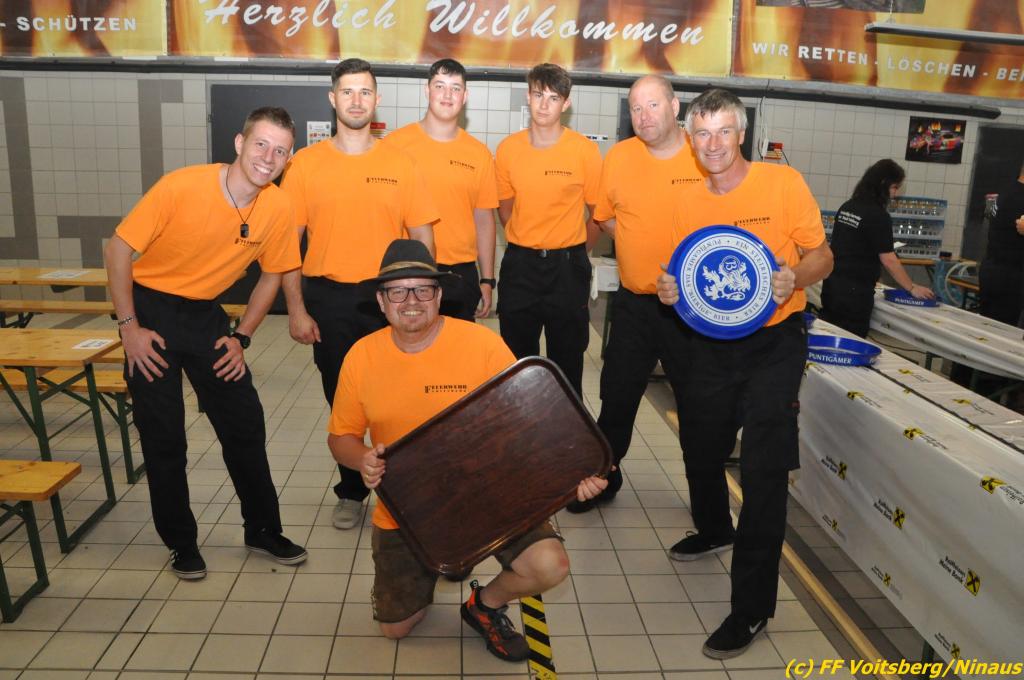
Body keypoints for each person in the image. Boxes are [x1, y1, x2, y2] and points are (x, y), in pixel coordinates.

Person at [327, 239, 607, 660]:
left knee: (549, 565)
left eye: (422, 289)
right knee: (395, 629)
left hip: (492, 491)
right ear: (381, 302)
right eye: (398, 292)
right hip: (410, 507)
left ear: (439, 296)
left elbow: (533, 422)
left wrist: (572, 475)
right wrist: (362, 459)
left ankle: (485, 604)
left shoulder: (481, 344)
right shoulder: (361, 357)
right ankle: (440, 566)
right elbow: (340, 438)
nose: (411, 301)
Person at [656, 88, 833, 659]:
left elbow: (823, 256)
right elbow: (680, 275)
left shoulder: (783, 184)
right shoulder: (685, 201)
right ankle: (714, 529)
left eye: (723, 131)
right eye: (702, 133)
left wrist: (795, 277)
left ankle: (752, 608)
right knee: (700, 446)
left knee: (762, 472)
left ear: (742, 134)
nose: (713, 144)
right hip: (709, 345)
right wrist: (668, 290)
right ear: (690, 139)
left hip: (775, 345)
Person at [104, 107, 308, 580]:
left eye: (279, 151)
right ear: (239, 143)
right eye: (261, 144)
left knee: (244, 424)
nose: (268, 157)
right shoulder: (182, 186)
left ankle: (263, 529)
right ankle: (181, 543)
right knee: (164, 436)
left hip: (205, 316)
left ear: (289, 159)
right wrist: (129, 327)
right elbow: (117, 249)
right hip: (149, 308)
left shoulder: (278, 207)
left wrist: (242, 337)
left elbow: (273, 275)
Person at [280, 58, 439, 530]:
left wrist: (422, 299)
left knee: (403, 397)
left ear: (377, 99)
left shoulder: (400, 162)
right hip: (328, 300)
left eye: (365, 92)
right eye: (347, 91)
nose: (356, 100)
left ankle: (407, 488)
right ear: (333, 99)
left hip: (390, 301)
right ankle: (352, 489)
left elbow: (423, 236)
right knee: (343, 401)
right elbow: (287, 246)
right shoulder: (305, 165)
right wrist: (296, 309)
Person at [567, 75, 702, 513]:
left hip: (692, 310)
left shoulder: (703, 154)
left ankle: (709, 511)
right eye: (636, 108)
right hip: (634, 304)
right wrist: (636, 239)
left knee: (697, 405)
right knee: (617, 396)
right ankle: (604, 479)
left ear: (675, 107)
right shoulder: (620, 157)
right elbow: (604, 218)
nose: (643, 116)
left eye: (653, 105)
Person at [495, 63, 602, 396]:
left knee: (567, 362)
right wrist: (530, 239)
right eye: (538, 95)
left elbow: (598, 215)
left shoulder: (584, 151)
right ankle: (520, 424)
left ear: (565, 104)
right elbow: (505, 210)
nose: (544, 105)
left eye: (553, 98)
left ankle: (567, 428)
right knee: (516, 362)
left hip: (567, 270)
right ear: (528, 96)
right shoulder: (508, 149)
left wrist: (573, 250)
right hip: (520, 267)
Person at [384, 58, 498, 321]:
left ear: (465, 96)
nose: (447, 95)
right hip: (406, 272)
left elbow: (484, 220)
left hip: (460, 276)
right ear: (427, 91)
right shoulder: (394, 146)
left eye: (455, 88)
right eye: (440, 86)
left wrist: (487, 279)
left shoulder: (479, 154)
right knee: (407, 347)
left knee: (457, 347)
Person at [821, 159, 934, 337]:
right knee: (851, 342)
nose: (895, 194)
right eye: (894, 187)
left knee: (828, 336)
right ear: (883, 183)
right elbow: (889, 260)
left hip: (832, 285)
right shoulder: (878, 215)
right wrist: (911, 287)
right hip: (854, 294)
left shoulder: (848, 206)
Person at [978, 166, 1024, 326]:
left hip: (993, 270)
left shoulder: (1004, 192)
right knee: (1001, 331)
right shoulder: (1019, 198)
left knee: (990, 327)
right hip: (1009, 278)